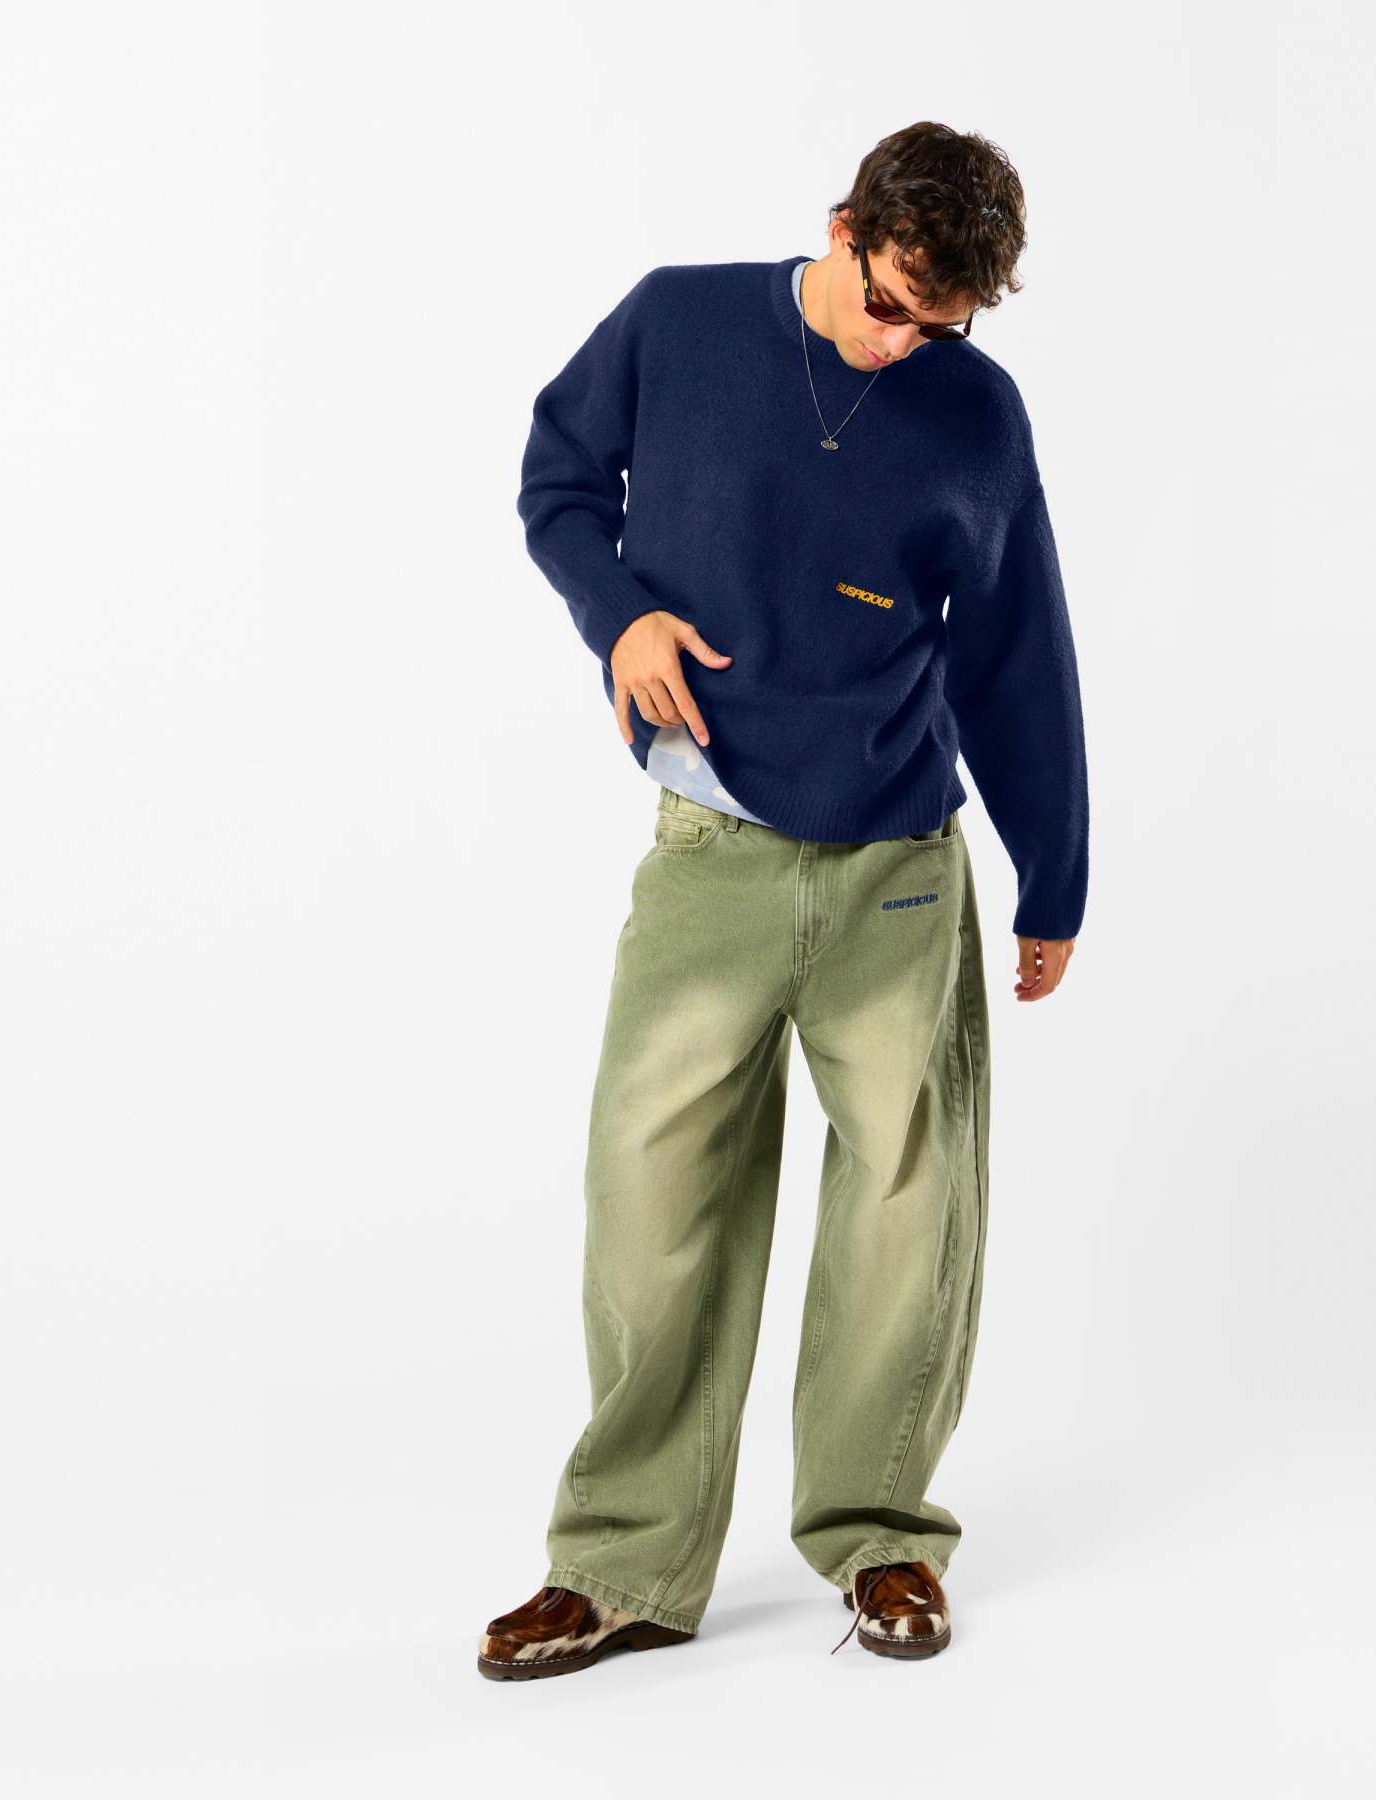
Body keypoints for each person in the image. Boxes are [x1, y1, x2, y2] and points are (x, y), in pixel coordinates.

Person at [478, 120, 1089, 1681]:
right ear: (841, 228)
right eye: (888, 304)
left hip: (898, 873)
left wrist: (1055, 874)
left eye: (939, 327)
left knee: (908, 1209)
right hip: (713, 857)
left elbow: (1016, 649)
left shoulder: (974, 412)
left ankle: (881, 1537)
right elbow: (557, 479)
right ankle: (625, 1565)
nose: (901, 345)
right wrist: (618, 616)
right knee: (650, 1202)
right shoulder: (678, 320)